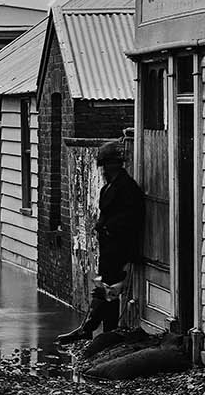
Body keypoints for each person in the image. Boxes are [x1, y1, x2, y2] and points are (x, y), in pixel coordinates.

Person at [58, 137, 145, 343]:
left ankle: (89, 328)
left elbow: (131, 218)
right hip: (108, 246)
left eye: (106, 166)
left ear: (114, 165)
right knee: (106, 287)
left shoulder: (127, 188)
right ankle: (105, 331)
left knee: (109, 288)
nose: (103, 171)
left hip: (119, 246)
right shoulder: (109, 187)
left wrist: (108, 229)